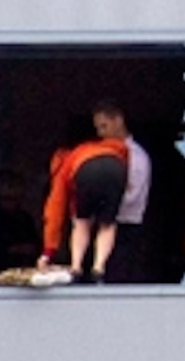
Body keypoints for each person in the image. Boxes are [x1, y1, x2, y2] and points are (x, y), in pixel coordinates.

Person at [40, 115, 131, 284]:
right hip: (116, 167)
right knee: (108, 223)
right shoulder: (115, 147)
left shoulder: (67, 161)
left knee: (81, 222)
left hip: (86, 171)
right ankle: (99, 268)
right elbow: (126, 160)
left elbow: (55, 210)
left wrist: (48, 252)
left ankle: (76, 268)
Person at [91, 98, 155, 283]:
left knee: (119, 280)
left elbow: (131, 197)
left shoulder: (136, 157)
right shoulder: (103, 153)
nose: (101, 133)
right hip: (105, 226)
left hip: (126, 231)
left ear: (118, 120)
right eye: (98, 128)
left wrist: (102, 203)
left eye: (104, 126)